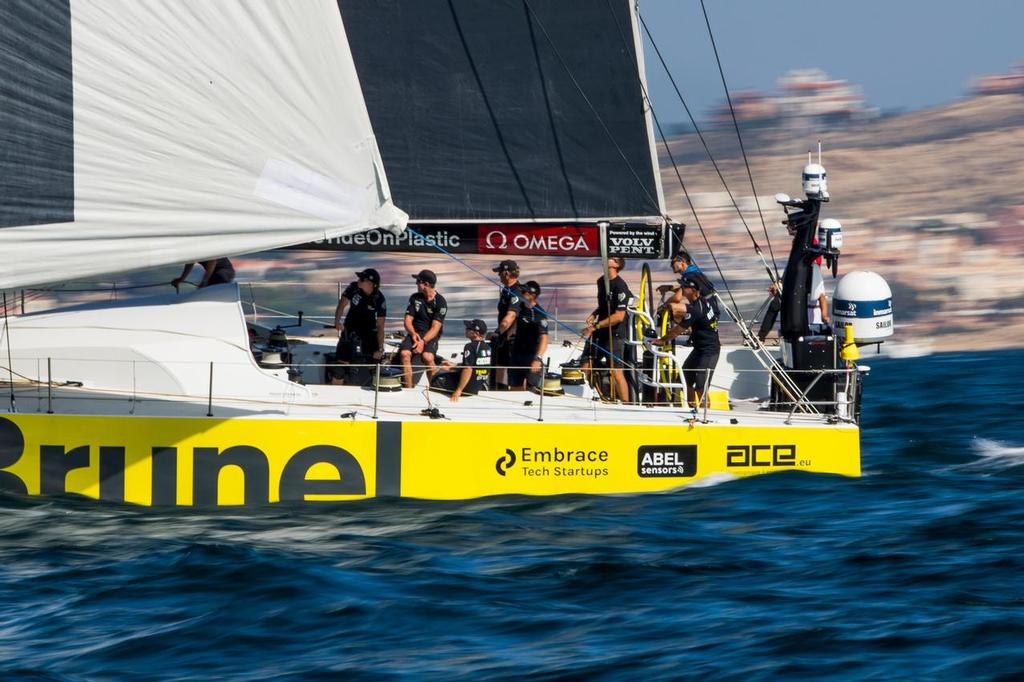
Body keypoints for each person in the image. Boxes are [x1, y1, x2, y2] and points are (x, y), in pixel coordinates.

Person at [652, 277, 720, 408]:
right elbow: (687, 310)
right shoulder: (702, 301)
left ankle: (702, 413)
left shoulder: (696, 309)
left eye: (684, 287)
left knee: (701, 386)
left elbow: (678, 329)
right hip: (699, 349)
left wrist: (662, 340)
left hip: (709, 351)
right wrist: (668, 306)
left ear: (693, 290)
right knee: (685, 376)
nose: (681, 289)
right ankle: (691, 407)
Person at [581, 256, 632, 402]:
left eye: (610, 258)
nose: (606, 259)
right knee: (586, 365)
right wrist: (595, 313)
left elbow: (619, 316)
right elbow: (604, 304)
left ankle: (627, 405)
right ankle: (598, 395)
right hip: (600, 329)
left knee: (616, 372)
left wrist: (595, 326)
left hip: (615, 333)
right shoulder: (600, 281)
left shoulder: (620, 286)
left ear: (616, 264)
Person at [331, 268, 386, 384]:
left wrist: (380, 348)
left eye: (362, 279)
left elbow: (380, 326)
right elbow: (342, 304)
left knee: (370, 366)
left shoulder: (379, 299)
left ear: (371, 283)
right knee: (340, 368)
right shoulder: (353, 288)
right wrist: (337, 321)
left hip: (368, 334)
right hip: (349, 330)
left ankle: (370, 390)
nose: (358, 280)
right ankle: (336, 392)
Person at [399, 269, 447, 388]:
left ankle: (435, 388)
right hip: (415, 333)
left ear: (425, 284)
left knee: (428, 356)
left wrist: (422, 342)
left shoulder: (441, 302)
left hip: (430, 335)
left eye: (418, 282)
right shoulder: (415, 298)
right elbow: (408, 320)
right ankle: (408, 388)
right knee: (405, 354)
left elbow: (436, 328)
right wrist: (413, 333)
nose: (416, 284)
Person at [430, 319, 491, 402]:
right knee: (447, 372)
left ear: (476, 333)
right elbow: (476, 365)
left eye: (468, 329)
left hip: (467, 388)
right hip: (477, 386)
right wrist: (454, 365)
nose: (466, 330)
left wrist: (458, 391)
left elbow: (468, 369)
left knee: (436, 378)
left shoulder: (470, 346)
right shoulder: (487, 347)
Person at [508, 281, 548, 389]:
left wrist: (537, 359)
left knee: (532, 389)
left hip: (531, 356)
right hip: (516, 354)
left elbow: (544, 338)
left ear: (532, 296)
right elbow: (515, 324)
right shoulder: (519, 307)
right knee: (514, 386)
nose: (521, 293)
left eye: (524, 292)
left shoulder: (539, 313)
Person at [657, 250, 714, 324]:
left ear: (682, 261)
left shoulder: (689, 276)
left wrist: (663, 306)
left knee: (672, 307)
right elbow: (686, 290)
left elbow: (677, 298)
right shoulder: (695, 273)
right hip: (710, 310)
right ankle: (689, 328)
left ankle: (687, 328)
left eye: (673, 262)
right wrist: (669, 288)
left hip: (705, 312)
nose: (671, 265)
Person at [491, 260, 523, 389]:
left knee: (515, 372)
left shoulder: (517, 291)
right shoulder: (506, 290)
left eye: (499, 273)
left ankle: (518, 399)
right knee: (501, 367)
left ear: (506, 273)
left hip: (514, 338)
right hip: (505, 337)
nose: (498, 276)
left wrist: (498, 332)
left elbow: (510, 316)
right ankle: (500, 392)